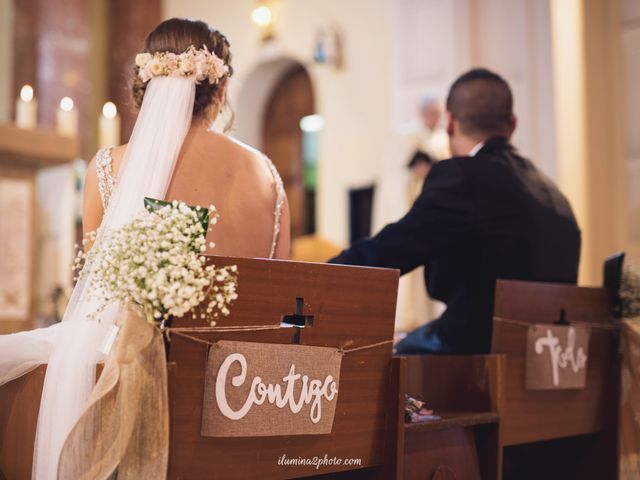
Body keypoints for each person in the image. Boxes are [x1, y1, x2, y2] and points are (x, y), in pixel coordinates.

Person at [0, 18, 290, 478]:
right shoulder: (268, 176)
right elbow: (281, 294)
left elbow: (98, 296)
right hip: (246, 386)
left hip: (148, 380)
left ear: (146, 83)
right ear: (221, 86)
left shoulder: (110, 167)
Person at [330, 68, 580, 354]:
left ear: (450, 122)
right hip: (547, 360)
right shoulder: (554, 194)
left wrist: (314, 279)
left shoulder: (461, 176)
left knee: (383, 355)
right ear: (512, 124)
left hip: (475, 359)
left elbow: (391, 249)